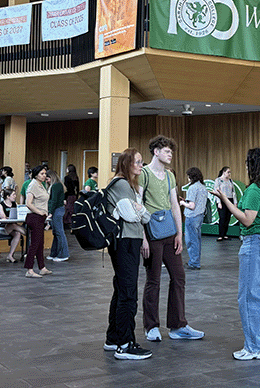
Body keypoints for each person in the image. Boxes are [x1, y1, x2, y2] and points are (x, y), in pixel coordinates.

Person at [211, 147, 260, 361]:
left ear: (255, 165)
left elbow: (247, 220)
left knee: (249, 295)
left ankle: (255, 347)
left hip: (257, 242)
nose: (245, 166)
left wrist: (225, 200)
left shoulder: (255, 189)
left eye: (248, 163)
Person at [140, 135, 204, 342]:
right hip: (152, 233)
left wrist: (179, 233)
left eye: (171, 151)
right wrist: (143, 238)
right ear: (156, 151)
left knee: (179, 277)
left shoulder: (169, 176)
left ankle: (178, 326)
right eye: (167, 151)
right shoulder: (143, 174)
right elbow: (137, 205)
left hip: (169, 232)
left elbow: (175, 205)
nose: (170, 155)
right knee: (154, 280)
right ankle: (151, 326)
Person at [103, 148, 152, 361]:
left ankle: (113, 338)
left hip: (127, 240)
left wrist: (139, 211)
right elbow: (133, 214)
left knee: (122, 289)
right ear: (127, 163)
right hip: (125, 241)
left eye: (142, 162)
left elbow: (142, 215)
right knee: (128, 293)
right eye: (137, 162)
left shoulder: (128, 185)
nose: (141, 165)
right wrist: (139, 210)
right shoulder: (122, 184)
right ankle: (125, 344)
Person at [24, 165, 53, 279]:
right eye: (42, 173)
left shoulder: (41, 185)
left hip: (41, 217)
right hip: (35, 217)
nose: (44, 175)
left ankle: (42, 267)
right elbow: (28, 203)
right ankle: (29, 269)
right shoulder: (33, 185)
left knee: (40, 243)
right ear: (36, 175)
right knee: (35, 244)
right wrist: (39, 212)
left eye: (45, 173)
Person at [180, 167, 207, 269]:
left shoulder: (192, 188)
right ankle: (195, 261)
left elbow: (192, 206)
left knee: (191, 241)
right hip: (199, 216)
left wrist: (182, 203)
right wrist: (186, 201)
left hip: (192, 216)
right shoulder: (203, 187)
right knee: (197, 240)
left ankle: (194, 263)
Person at [0, 187, 26, 262]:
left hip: (12, 227)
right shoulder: (0, 205)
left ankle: (10, 255)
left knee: (17, 233)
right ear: (8, 196)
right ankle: (27, 233)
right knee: (13, 225)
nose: (15, 196)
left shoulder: (15, 204)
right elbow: (3, 217)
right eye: (13, 195)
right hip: (0, 228)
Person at [48, 168, 69, 262]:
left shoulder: (56, 186)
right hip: (58, 210)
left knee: (59, 232)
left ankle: (63, 254)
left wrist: (50, 212)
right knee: (56, 232)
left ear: (51, 177)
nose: (46, 181)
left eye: (47, 178)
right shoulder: (58, 185)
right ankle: (54, 253)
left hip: (57, 210)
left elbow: (54, 201)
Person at [214, 166, 235, 240]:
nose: (229, 174)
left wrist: (235, 203)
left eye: (230, 172)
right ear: (223, 172)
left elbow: (233, 192)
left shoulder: (230, 181)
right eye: (228, 172)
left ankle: (225, 234)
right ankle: (220, 235)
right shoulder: (218, 180)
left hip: (230, 200)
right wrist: (219, 202)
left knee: (227, 218)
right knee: (222, 217)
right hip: (222, 200)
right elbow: (216, 192)